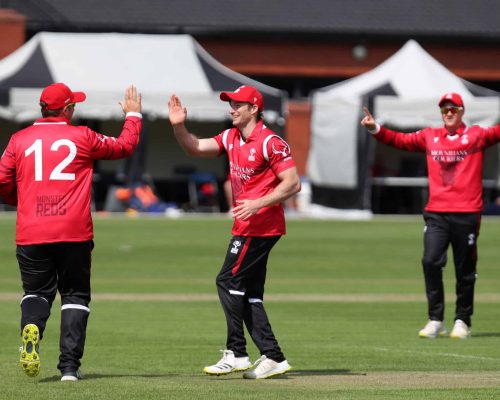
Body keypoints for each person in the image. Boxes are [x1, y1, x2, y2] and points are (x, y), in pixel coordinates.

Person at [0, 82, 142, 380]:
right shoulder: (83, 136)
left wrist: (20, 199)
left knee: (36, 292)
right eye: (73, 104)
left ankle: (34, 329)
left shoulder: (19, 139)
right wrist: (133, 116)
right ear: (66, 109)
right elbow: (124, 146)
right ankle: (69, 368)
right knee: (75, 296)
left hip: (31, 230)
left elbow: (2, 180)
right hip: (73, 232)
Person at [168, 85, 300, 379]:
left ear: (254, 108)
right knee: (249, 294)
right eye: (231, 103)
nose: (232, 109)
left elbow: (292, 183)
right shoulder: (230, 137)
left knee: (227, 281)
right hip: (247, 224)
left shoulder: (271, 142)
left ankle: (237, 353)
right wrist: (179, 127)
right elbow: (195, 147)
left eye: (238, 104)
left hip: (261, 226)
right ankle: (273, 357)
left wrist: (258, 203)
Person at [361, 92, 500, 339]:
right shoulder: (430, 136)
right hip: (437, 212)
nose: (448, 113)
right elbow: (400, 140)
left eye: (453, 109)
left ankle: (462, 320)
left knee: (465, 269)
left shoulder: (477, 135)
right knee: (430, 261)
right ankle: (436, 319)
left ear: (462, 111)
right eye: (445, 109)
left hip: (467, 212)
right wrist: (375, 129)